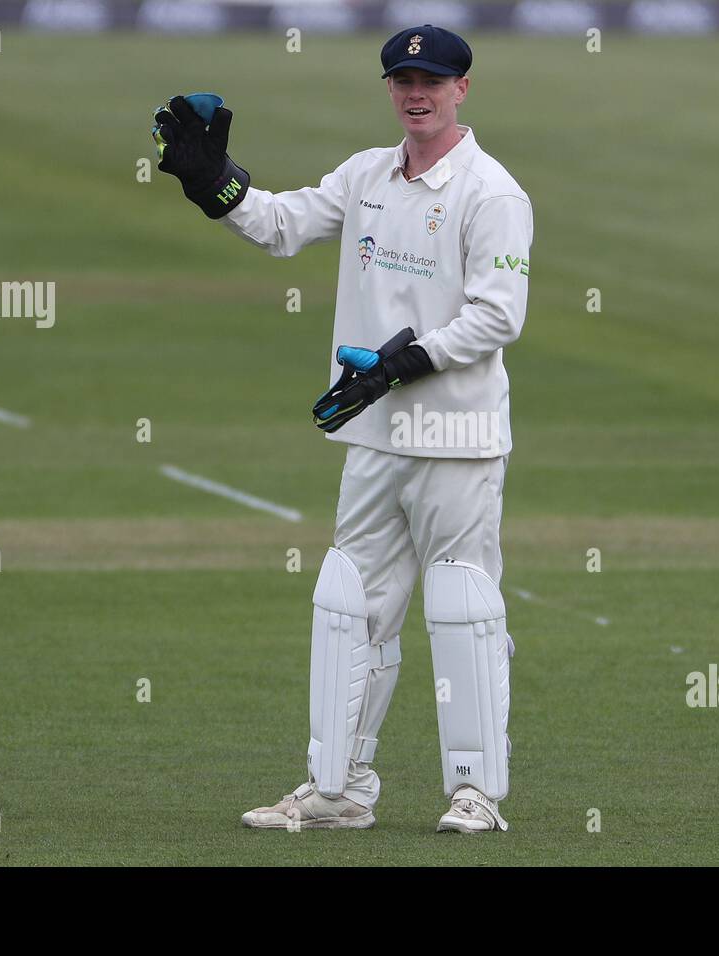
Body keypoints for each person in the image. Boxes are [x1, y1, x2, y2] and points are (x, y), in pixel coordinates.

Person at [151, 24, 532, 833]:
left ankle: (475, 794)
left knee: (464, 608)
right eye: (402, 79)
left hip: (458, 439)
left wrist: (404, 363)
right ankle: (340, 787)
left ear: (463, 88)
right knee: (353, 612)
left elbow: (499, 317)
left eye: (432, 79)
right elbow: (281, 224)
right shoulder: (368, 175)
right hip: (374, 436)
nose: (416, 92)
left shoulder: (491, 193)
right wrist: (213, 184)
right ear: (390, 88)